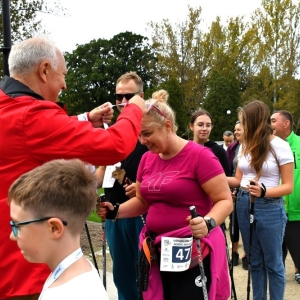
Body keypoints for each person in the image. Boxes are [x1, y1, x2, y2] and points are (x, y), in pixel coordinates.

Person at [0, 37, 146, 300]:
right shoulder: (31, 117)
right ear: (44, 70)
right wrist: (134, 108)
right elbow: (116, 144)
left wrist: (84, 119)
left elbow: (35, 133)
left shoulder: (9, 108)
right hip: (23, 268)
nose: (65, 84)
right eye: (62, 75)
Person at [98, 90, 232, 300]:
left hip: (193, 249)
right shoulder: (147, 159)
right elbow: (143, 201)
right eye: (139, 135)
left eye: (147, 133)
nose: (142, 141)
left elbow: (224, 200)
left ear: (167, 126)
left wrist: (208, 222)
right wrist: (115, 212)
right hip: (158, 250)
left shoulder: (200, 156)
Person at [8, 159, 109, 300]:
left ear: (54, 228)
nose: (12, 236)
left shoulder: (72, 294)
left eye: (18, 225)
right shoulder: (71, 275)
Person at [227, 100, 294, 300]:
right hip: (243, 204)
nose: (241, 127)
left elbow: (288, 186)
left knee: (273, 263)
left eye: (244, 122)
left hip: (270, 208)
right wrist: (213, 178)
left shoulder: (280, 146)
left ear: (254, 122)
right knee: (255, 261)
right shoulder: (245, 145)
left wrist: (264, 192)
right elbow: (238, 180)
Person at [95, 72, 148, 300]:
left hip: (142, 215)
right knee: (122, 278)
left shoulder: (150, 131)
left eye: (129, 96)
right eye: (119, 96)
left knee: (147, 277)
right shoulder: (111, 132)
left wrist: (142, 187)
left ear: (141, 96)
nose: (124, 102)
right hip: (114, 215)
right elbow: (101, 173)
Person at [271, 110, 300, 284]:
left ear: (286, 123)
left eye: (273, 120)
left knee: (297, 248)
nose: (270, 124)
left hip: (296, 210)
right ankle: (277, 278)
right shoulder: (269, 145)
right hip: (275, 207)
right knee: (276, 252)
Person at [226, 121, 248, 269]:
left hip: (247, 188)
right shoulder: (233, 148)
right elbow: (228, 168)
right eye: (235, 130)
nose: (236, 132)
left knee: (246, 224)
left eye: (239, 130)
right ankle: (234, 253)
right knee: (234, 223)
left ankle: (247, 254)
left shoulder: (252, 146)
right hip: (233, 187)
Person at [189, 109, 231, 176]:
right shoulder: (185, 148)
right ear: (191, 126)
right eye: (200, 125)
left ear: (211, 127)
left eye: (208, 125)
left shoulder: (219, 151)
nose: (204, 128)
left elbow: (227, 177)